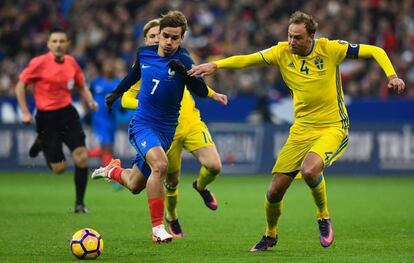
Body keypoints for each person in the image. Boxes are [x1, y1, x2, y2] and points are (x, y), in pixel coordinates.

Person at [188, 11, 405, 252]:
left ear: (311, 37)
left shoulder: (330, 49)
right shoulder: (281, 52)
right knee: (274, 191)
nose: (292, 41)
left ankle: (323, 217)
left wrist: (392, 75)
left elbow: (376, 50)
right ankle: (270, 235)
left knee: (310, 170)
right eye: (290, 36)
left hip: (332, 126)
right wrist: (215, 65)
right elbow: (247, 59)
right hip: (301, 130)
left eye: (298, 37)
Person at [91, 11, 210, 244]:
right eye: (165, 36)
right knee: (161, 165)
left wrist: (184, 73)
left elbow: (202, 92)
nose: (168, 42)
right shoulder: (144, 54)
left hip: (166, 131)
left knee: (135, 185)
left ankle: (111, 170)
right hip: (143, 125)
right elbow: (132, 76)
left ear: (182, 38)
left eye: (175, 38)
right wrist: (116, 93)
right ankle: (158, 229)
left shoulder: (184, 60)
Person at [121, 19, 227, 238]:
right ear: (150, 40)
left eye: (171, 37)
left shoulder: (180, 58)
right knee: (170, 181)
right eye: (154, 37)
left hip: (191, 123)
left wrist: (213, 93)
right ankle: (171, 217)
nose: (162, 41)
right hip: (164, 131)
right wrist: (148, 102)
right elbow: (125, 98)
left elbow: (194, 79)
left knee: (214, 165)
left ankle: (200, 186)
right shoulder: (144, 67)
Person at [15, 28, 98, 213]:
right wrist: (25, 112)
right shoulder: (39, 63)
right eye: (55, 41)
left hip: (68, 114)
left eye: (62, 41)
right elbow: (21, 85)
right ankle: (42, 142)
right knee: (59, 169)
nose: (58, 44)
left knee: (82, 157)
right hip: (46, 117)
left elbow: (81, 85)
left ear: (68, 44)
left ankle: (79, 204)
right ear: (48, 44)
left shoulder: (71, 62)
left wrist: (90, 100)